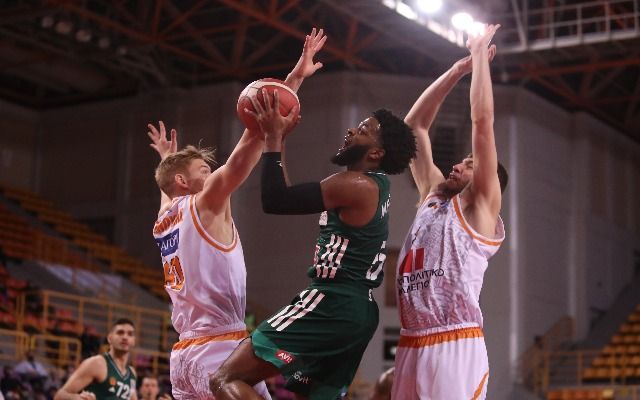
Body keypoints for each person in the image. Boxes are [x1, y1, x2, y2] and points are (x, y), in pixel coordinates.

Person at [209, 53, 418, 399]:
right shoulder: (373, 187)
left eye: (363, 130)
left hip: (333, 301)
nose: (352, 131)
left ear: (376, 154)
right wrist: (278, 134)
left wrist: (274, 137)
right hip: (358, 311)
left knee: (225, 379)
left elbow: (276, 200)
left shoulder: (356, 185)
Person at [149, 28, 327, 400]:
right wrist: (294, 79)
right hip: (219, 347)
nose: (210, 174)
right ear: (183, 181)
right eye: (203, 170)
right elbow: (251, 141)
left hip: (182, 357)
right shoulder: (205, 201)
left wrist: (167, 158)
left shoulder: (163, 218)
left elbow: (166, 186)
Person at [391, 24, 507, 400]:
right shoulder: (433, 193)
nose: (457, 165)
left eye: (469, 164)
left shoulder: (479, 206)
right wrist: (457, 71)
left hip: (453, 340)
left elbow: (482, 122)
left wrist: (479, 57)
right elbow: (413, 128)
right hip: (410, 339)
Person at [54, 318, 137, 400]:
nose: (125, 337)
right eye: (120, 333)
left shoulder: (132, 373)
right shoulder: (97, 363)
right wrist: (79, 398)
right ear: (110, 338)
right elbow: (59, 396)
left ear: (134, 341)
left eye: (130, 334)